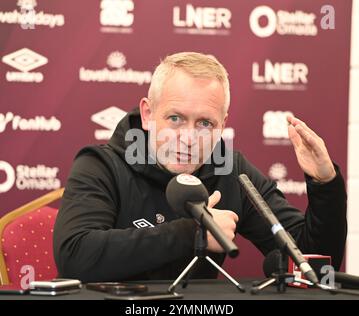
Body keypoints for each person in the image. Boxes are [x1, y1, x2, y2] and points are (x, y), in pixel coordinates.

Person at [53, 52, 347, 282]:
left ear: (223, 126)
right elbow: (75, 255)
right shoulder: (102, 164)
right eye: (175, 118)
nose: (189, 138)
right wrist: (192, 233)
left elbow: (311, 261)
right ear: (147, 114)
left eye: (205, 123)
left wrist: (325, 184)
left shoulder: (231, 171)